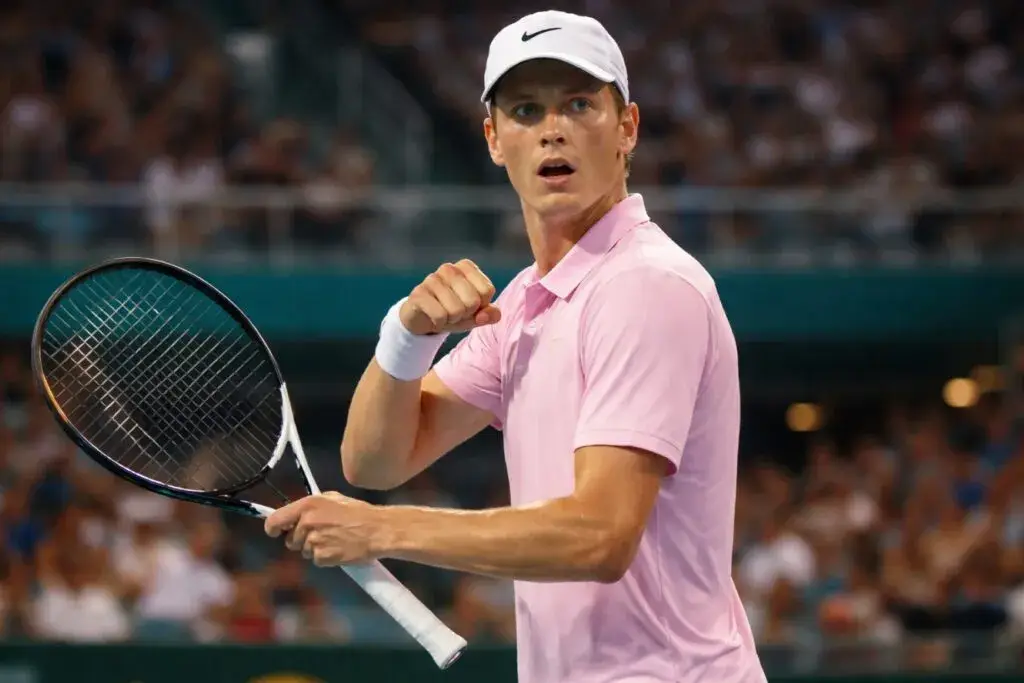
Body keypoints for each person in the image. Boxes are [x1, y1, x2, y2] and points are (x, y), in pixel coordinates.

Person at [265, 10, 766, 683]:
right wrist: (405, 337)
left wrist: (381, 531)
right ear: (495, 139)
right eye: (526, 110)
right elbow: (374, 460)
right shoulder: (526, 301)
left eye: (579, 104)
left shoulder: (644, 285)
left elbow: (599, 535)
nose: (553, 128)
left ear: (627, 128)